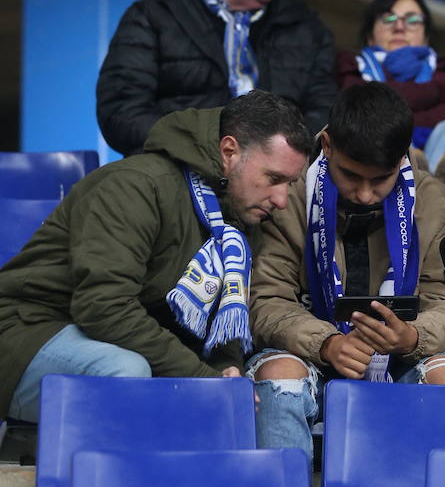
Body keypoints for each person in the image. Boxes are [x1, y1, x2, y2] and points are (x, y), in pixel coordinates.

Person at [0, 91, 310, 422]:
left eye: (289, 184)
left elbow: (221, 321)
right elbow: (103, 307)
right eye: (273, 179)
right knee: (125, 370)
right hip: (26, 333)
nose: (280, 200)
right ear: (229, 151)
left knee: (242, 390)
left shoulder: (240, 217)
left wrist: (224, 371)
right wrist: (201, 377)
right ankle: (99, 474)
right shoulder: (135, 185)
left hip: (106, 339)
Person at [248, 81, 445, 463]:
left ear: (402, 160)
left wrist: (411, 337)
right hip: (311, 357)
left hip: (403, 362)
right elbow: (266, 302)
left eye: (381, 180)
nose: (365, 194)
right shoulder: (290, 196)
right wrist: (326, 344)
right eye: (352, 176)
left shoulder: (435, 202)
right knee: (280, 374)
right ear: (327, 147)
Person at [97, 0, 337, 156]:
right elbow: (122, 111)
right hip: (177, 175)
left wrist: (272, 155)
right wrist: (203, 149)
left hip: (278, 183)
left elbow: (325, 114)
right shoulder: (154, 15)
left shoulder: (307, 31)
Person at [336, 0, 445, 177]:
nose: (400, 27)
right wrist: (430, 94)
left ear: (426, 36)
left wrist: (396, 117)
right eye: (388, 19)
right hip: (379, 167)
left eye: (412, 20)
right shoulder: (352, 69)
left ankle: (435, 183)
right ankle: (413, 168)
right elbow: (362, 116)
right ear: (370, 36)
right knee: (376, 125)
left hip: (437, 167)